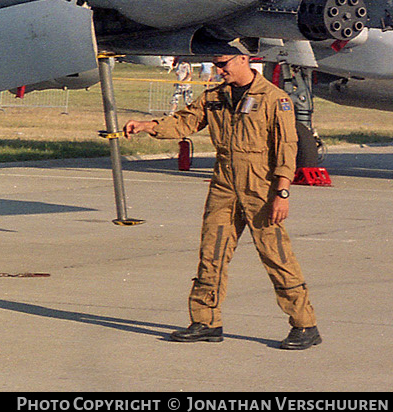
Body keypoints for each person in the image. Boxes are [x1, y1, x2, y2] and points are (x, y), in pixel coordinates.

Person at [123, 49, 320, 349]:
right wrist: (147, 125)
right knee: (211, 253)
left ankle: (305, 325)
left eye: (223, 64)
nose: (219, 70)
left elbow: (286, 149)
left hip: (261, 187)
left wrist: (282, 193)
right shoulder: (215, 97)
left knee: (276, 255)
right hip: (224, 184)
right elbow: (184, 122)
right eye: (216, 65)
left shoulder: (273, 99)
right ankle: (205, 321)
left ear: (244, 59)